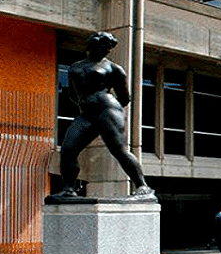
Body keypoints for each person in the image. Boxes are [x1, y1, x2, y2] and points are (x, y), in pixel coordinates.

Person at [54, 31, 153, 198]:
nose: (106, 51)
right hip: (86, 114)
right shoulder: (75, 67)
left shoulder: (113, 68)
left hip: (107, 110)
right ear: (93, 46)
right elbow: (72, 93)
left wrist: (110, 110)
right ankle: (69, 189)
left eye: (108, 49)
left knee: (119, 150)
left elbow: (124, 97)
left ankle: (143, 187)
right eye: (104, 47)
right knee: (68, 150)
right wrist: (87, 103)